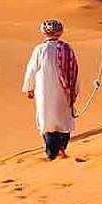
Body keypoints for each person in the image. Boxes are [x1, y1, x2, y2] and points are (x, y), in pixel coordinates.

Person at [22, 19, 81, 160]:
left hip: (44, 91)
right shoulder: (67, 49)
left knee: (46, 119)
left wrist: (29, 87)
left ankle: (52, 153)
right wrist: (75, 90)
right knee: (63, 120)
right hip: (64, 91)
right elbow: (75, 71)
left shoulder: (40, 49)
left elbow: (31, 69)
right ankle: (61, 150)